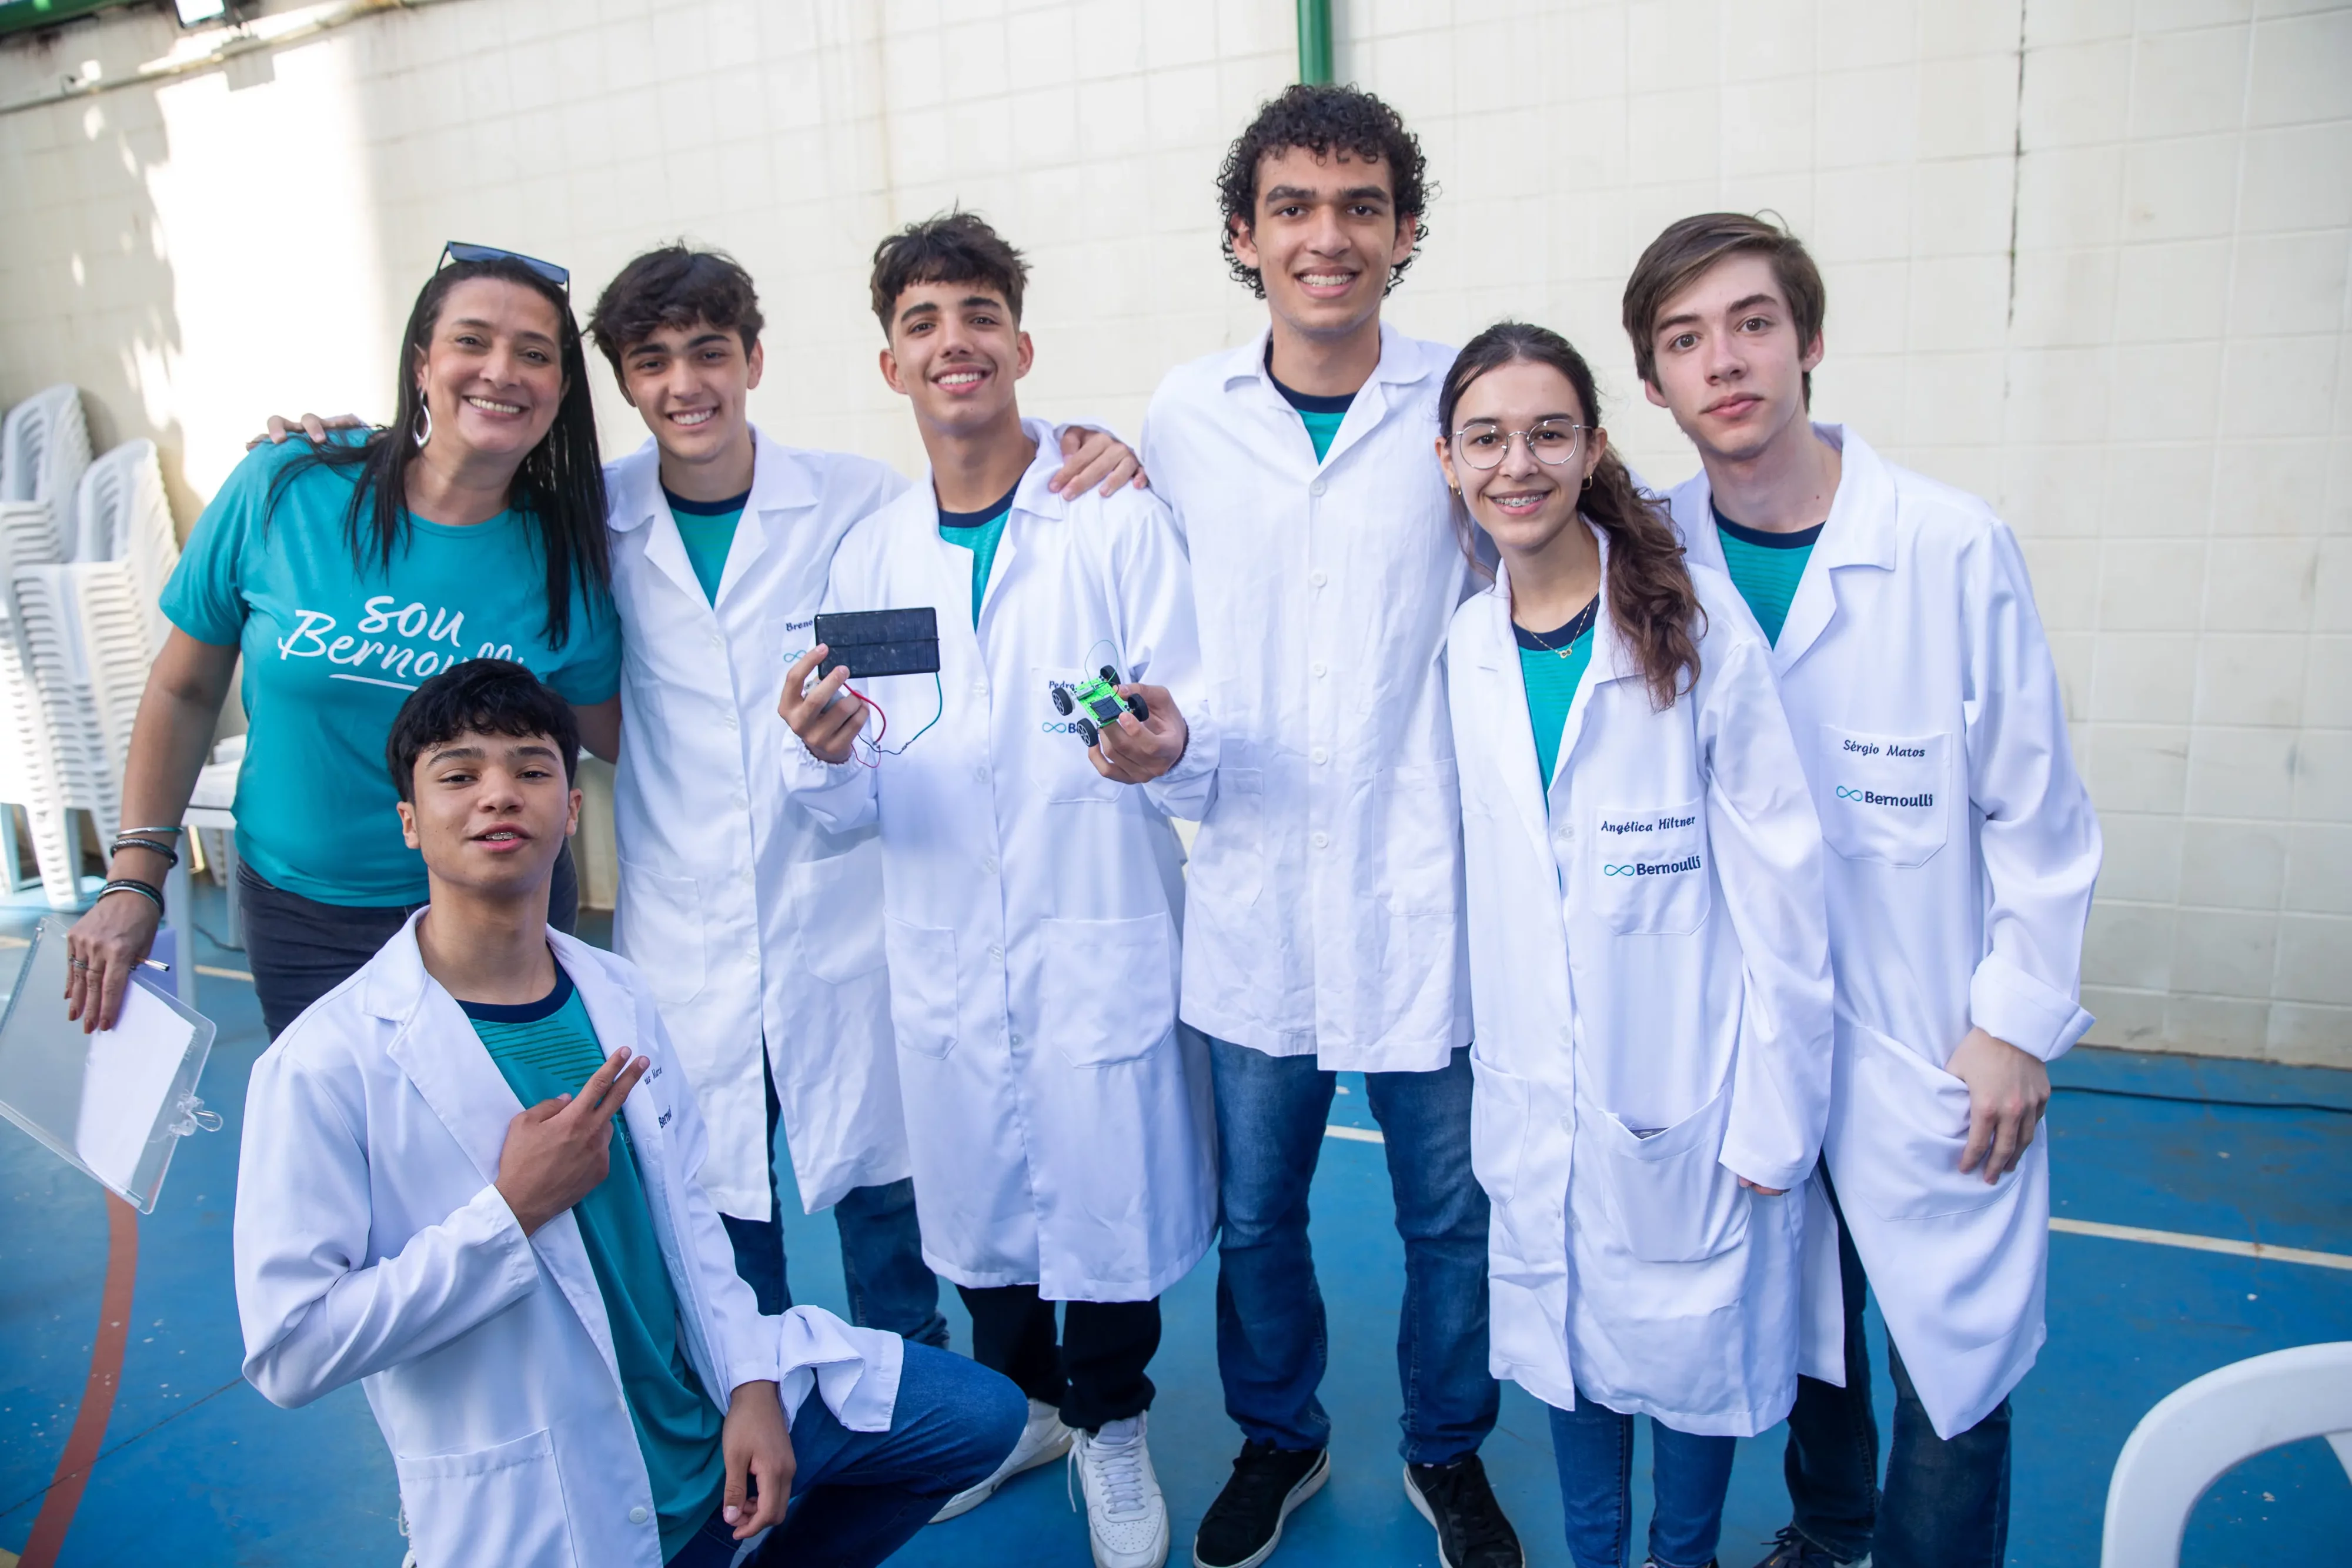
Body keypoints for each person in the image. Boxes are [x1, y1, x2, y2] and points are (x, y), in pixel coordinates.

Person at [230, 658, 1028, 1568]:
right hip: (559, 1492)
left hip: (702, 1407)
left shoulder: (615, 991)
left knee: (978, 1416)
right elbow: (291, 1350)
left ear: (571, 809)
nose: (499, 794)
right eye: (459, 773)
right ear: (410, 820)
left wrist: (750, 1380)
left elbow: (688, 1211)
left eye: (532, 769)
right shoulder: (326, 1063)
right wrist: (511, 1213)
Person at [1623, 213, 2103, 1568]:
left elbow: (2039, 815)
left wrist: (2011, 1024)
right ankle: (1828, 1536)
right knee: (1801, 1331)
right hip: (1750, 1040)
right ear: (1651, 383)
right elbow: (1478, 493)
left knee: (1950, 1367)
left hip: (1927, 1039)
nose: (1724, 361)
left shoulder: (1947, 545)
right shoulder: (1644, 555)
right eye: (1684, 340)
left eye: (1751, 323)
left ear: (1809, 341)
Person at [579, 245, 1142, 1332]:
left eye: (710, 352)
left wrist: (1095, 441)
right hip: (684, 929)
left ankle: (914, 1389)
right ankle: (758, 1397)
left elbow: (976, 475)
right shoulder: (594, 522)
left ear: (754, 359)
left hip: (837, 911)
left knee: (885, 1203)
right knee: (716, 1207)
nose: (686, 384)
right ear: (626, 383)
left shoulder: (855, 502)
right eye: (653, 362)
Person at [778, 211, 1215, 1568]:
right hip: (944, 946)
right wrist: (818, 758)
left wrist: (1163, 747)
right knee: (977, 1193)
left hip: (1095, 925)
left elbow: (1190, 712)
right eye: (921, 322)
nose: (951, 342)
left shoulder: (1112, 519)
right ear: (889, 365)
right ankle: (1026, 1408)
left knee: (1106, 1188)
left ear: (1021, 347)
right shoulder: (871, 558)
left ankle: (1113, 1423)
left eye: (977, 315)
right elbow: (848, 798)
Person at [1140, 84, 1522, 1568]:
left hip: (1427, 884)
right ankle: (1276, 1436)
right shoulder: (1183, 416)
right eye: (1291, 206)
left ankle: (1448, 1446)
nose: (1326, 235)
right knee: (1256, 1214)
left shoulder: (1460, 403)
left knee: (1450, 1214)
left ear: (1402, 230)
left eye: (1360, 206)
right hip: (1250, 879)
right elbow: (1163, 610)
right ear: (1244, 235)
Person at [1437, 322, 1835, 1568]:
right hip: (1535, 1092)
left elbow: (1783, 891)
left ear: (1595, 447)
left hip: (1688, 1090)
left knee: (1692, 1349)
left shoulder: (1693, 628)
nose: (1518, 464)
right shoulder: (1466, 650)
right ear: (1448, 461)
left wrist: (1776, 1111)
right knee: (1566, 1341)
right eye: (1486, 438)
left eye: (1547, 433)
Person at [65, 243, 623, 1040]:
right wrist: (135, 876)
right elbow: (183, 690)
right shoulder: (286, 487)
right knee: (331, 1119)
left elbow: (625, 738)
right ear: (422, 363)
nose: (501, 371)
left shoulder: (569, 551)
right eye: (471, 341)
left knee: (515, 1122)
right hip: (306, 918)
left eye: (534, 354)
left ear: (560, 390)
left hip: (500, 913)